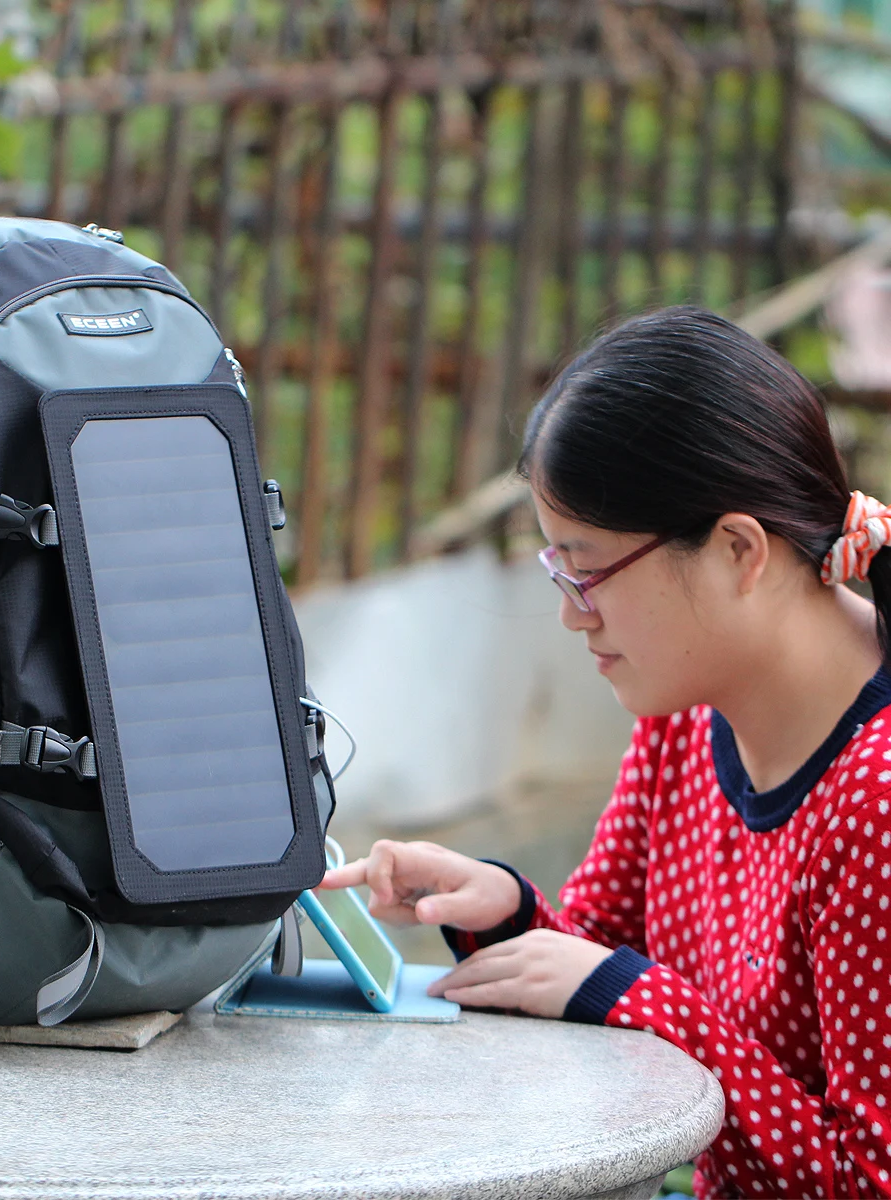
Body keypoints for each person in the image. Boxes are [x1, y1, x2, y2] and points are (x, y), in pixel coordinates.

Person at [320, 307, 891, 1199]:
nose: (570, 612)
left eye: (586, 572)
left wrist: (640, 996)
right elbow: (593, 961)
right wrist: (505, 910)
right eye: (558, 572)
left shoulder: (876, 802)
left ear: (738, 550)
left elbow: (869, 1176)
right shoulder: (684, 719)